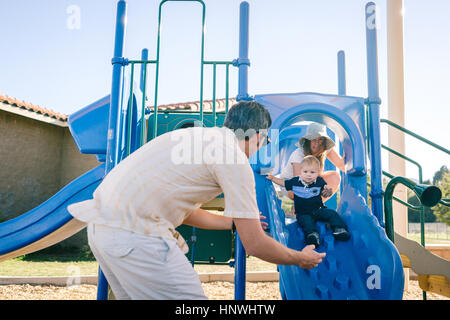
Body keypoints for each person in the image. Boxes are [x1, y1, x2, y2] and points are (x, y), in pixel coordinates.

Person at [67, 101, 326, 300]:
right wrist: (299, 258)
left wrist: (231, 224)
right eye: (265, 140)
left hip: (102, 230)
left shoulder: (195, 138)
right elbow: (255, 244)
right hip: (137, 236)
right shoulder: (234, 158)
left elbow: (186, 212)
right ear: (257, 135)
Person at [267, 156, 350, 248]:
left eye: (312, 172)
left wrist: (328, 189)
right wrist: (273, 178)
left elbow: (326, 187)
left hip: (318, 210)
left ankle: (339, 229)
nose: (308, 175)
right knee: (307, 223)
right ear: (301, 172)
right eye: (305, 172)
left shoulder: (319, 181)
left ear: (317, 173)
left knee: (332, 213)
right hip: (303, 213)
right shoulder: (295, 181)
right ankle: (313, 236)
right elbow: (283, 182)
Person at [279, 122, 345, 201]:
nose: (317, 143)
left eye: (320, 139)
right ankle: (302, 208)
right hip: (290, 185)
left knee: (334, 177)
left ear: (324, 142)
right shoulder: (299, 154)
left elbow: (342, 166)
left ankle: (315, 207)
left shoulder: (324, 149)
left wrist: (347, 145)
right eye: (313, 139)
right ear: (308, 141)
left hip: (310, 181)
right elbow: (298, 186)